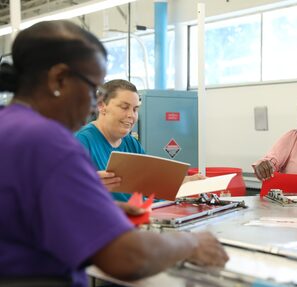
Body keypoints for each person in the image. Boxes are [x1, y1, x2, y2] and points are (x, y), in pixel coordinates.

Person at [0, 20, 228, 287]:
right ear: (59, 79)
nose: (91, 105)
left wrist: (98, 209)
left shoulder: (9, 127)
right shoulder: (51, 142)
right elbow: (127, 258)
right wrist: (191, 243)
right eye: (90, 89)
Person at [75, 79, 203, 202]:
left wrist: (186, 182)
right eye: (124, 107)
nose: (131, 115)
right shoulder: (81, 142)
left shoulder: (131, 143)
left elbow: (148, 184)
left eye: (135, 109)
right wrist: (89, 185)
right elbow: (64, 193)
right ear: (102, 106)